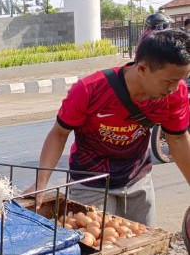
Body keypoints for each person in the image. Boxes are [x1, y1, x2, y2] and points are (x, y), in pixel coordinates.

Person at [31, 29, 190, 226]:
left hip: (137, 181)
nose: (173, 88)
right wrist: (41, 182)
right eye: (169, 81)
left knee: (143, 245)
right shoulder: (90, 90)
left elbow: (178, 138)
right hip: (91, 183)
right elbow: (59, 134)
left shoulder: (175, 94)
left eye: (180, 80)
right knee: (96, 246)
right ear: (142, 69)